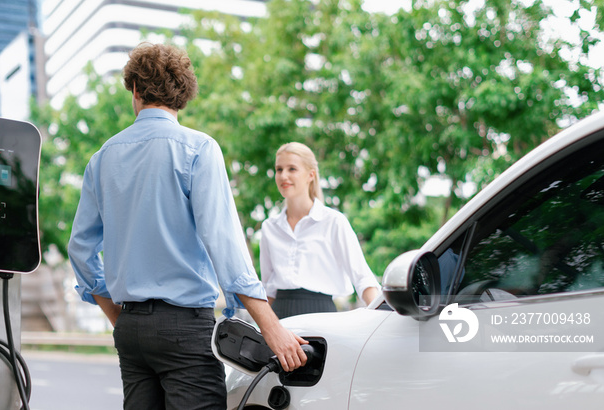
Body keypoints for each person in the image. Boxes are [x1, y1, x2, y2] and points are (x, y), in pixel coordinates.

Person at [67, 42, 307, 410]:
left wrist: (119, 317)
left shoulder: (101, 159)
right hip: (183, 330)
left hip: (130, 330)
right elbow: (224, 244)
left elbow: (81, 251)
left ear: (134, 90)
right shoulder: (198, 149)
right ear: (183, 94)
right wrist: (271, 327)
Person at [260, 142, 381, 319]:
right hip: (280, 320)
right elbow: (268, 288)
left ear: (311, 175)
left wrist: (380, 319)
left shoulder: (334, 222)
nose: (283, 175)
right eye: (279, 169)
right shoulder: (269, 227)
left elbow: (363, 278)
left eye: (292, 169)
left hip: (322, 318)